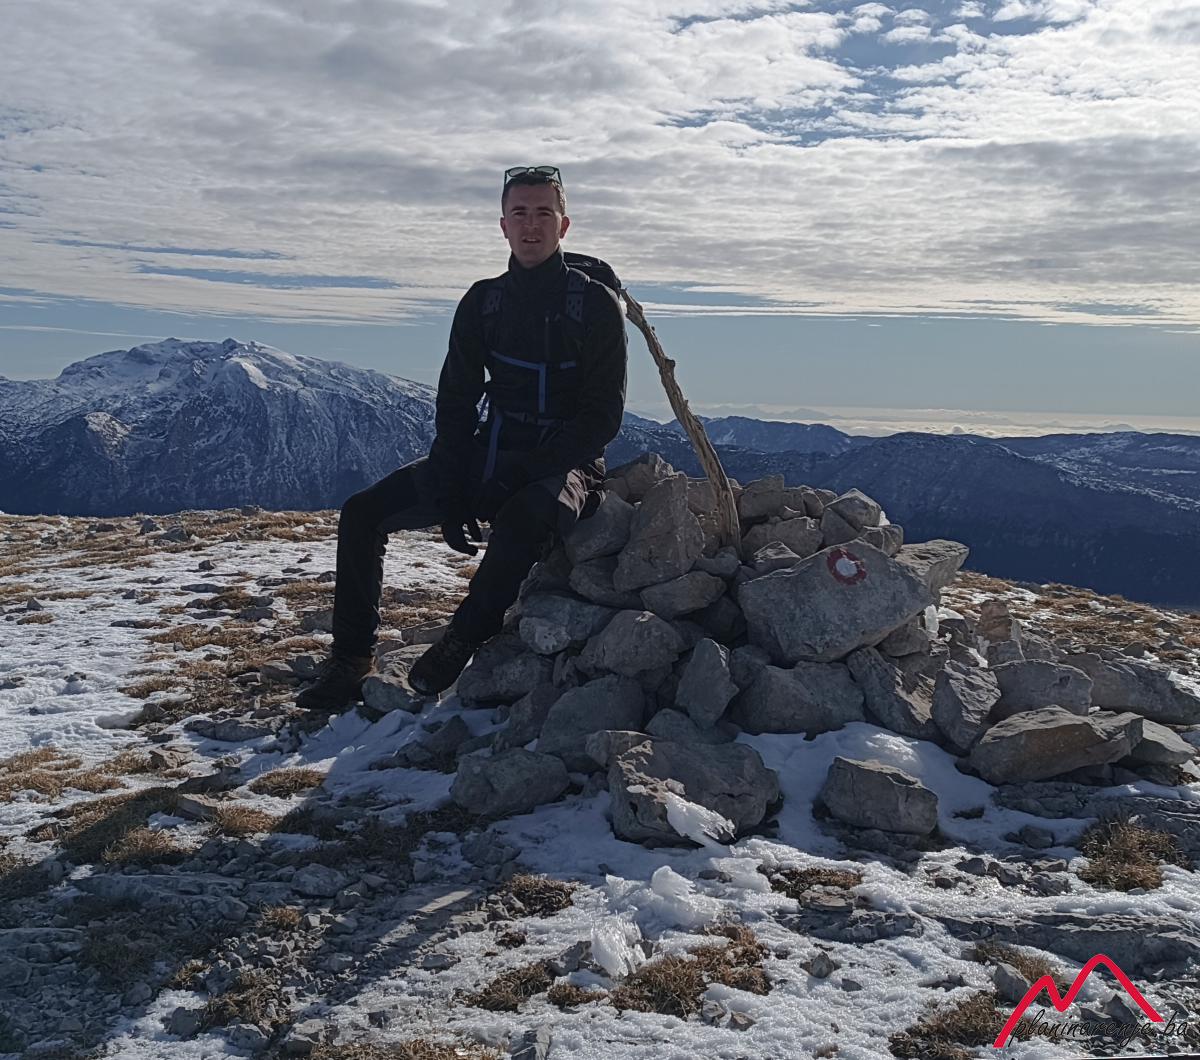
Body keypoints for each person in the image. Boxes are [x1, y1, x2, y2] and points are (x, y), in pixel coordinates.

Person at [297, 166, 628, 709]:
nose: (531, 225)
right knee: (362, 512)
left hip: (567, 464)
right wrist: (451, 487)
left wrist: (521, 475)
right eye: (519, 213)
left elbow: (602, 418)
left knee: (524, 517)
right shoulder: (483, 302)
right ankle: (350, 660)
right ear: (503, 225)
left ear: (564, 225)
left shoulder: (593, 305)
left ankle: (463, 637)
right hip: (489, 449)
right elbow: (456, 401)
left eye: (543, 213)